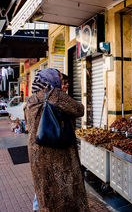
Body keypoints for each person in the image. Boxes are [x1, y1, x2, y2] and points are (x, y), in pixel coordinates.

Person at [24, 68, 89, 211]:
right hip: (57, 153)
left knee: (44, 191)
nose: (61, 81)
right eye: (59, 78)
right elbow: (80, 110)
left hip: (36, 152)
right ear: (51, 80)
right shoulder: (55, 95)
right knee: (64, 192)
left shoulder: (31, 99)